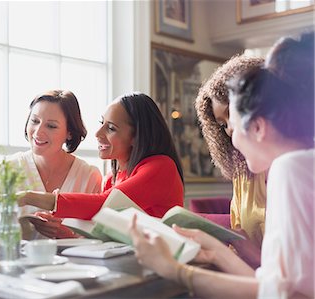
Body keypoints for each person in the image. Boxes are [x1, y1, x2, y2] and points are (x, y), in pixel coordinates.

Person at [130, 31, 314, 298]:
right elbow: (275, 285)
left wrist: (172, 269)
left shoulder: (291, 169)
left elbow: (282, 295)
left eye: (234, 124)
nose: (230, 136)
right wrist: (215, 250)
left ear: (259, 126)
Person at [19, 92, 184, 236]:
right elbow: (102, 232)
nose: (97, 133)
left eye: (111, 128)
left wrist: (28, 197)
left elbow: (104, 204)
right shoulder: (111, 179)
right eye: (101, 123)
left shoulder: (161, 167)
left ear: (136, 136)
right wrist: (63, 232)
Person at [194, 54, 265, 268]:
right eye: (222, 124)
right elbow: (237, 247)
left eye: (230, 114)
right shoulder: (244, 174)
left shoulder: (298, 168)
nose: (230, 129)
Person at [8, 90, 102, 239]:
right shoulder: (9, 169)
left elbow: (98, 238)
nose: (38, 132)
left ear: (69, 132)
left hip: (75, 262)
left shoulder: (89, 176)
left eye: (51, 126)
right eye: (35, 121)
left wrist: (68, 235)